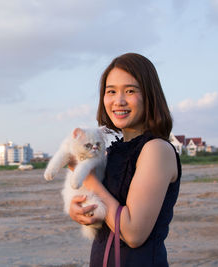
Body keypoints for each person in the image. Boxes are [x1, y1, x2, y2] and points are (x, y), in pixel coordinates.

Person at [68, 53, 181, 266]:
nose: (118, 101)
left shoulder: (156, 149)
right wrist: (81, 211)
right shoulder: (112, 151)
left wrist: (88, 179)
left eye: (130, 91)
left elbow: (133, 233)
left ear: (149, 95)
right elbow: (107, 210)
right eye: (111, 91)